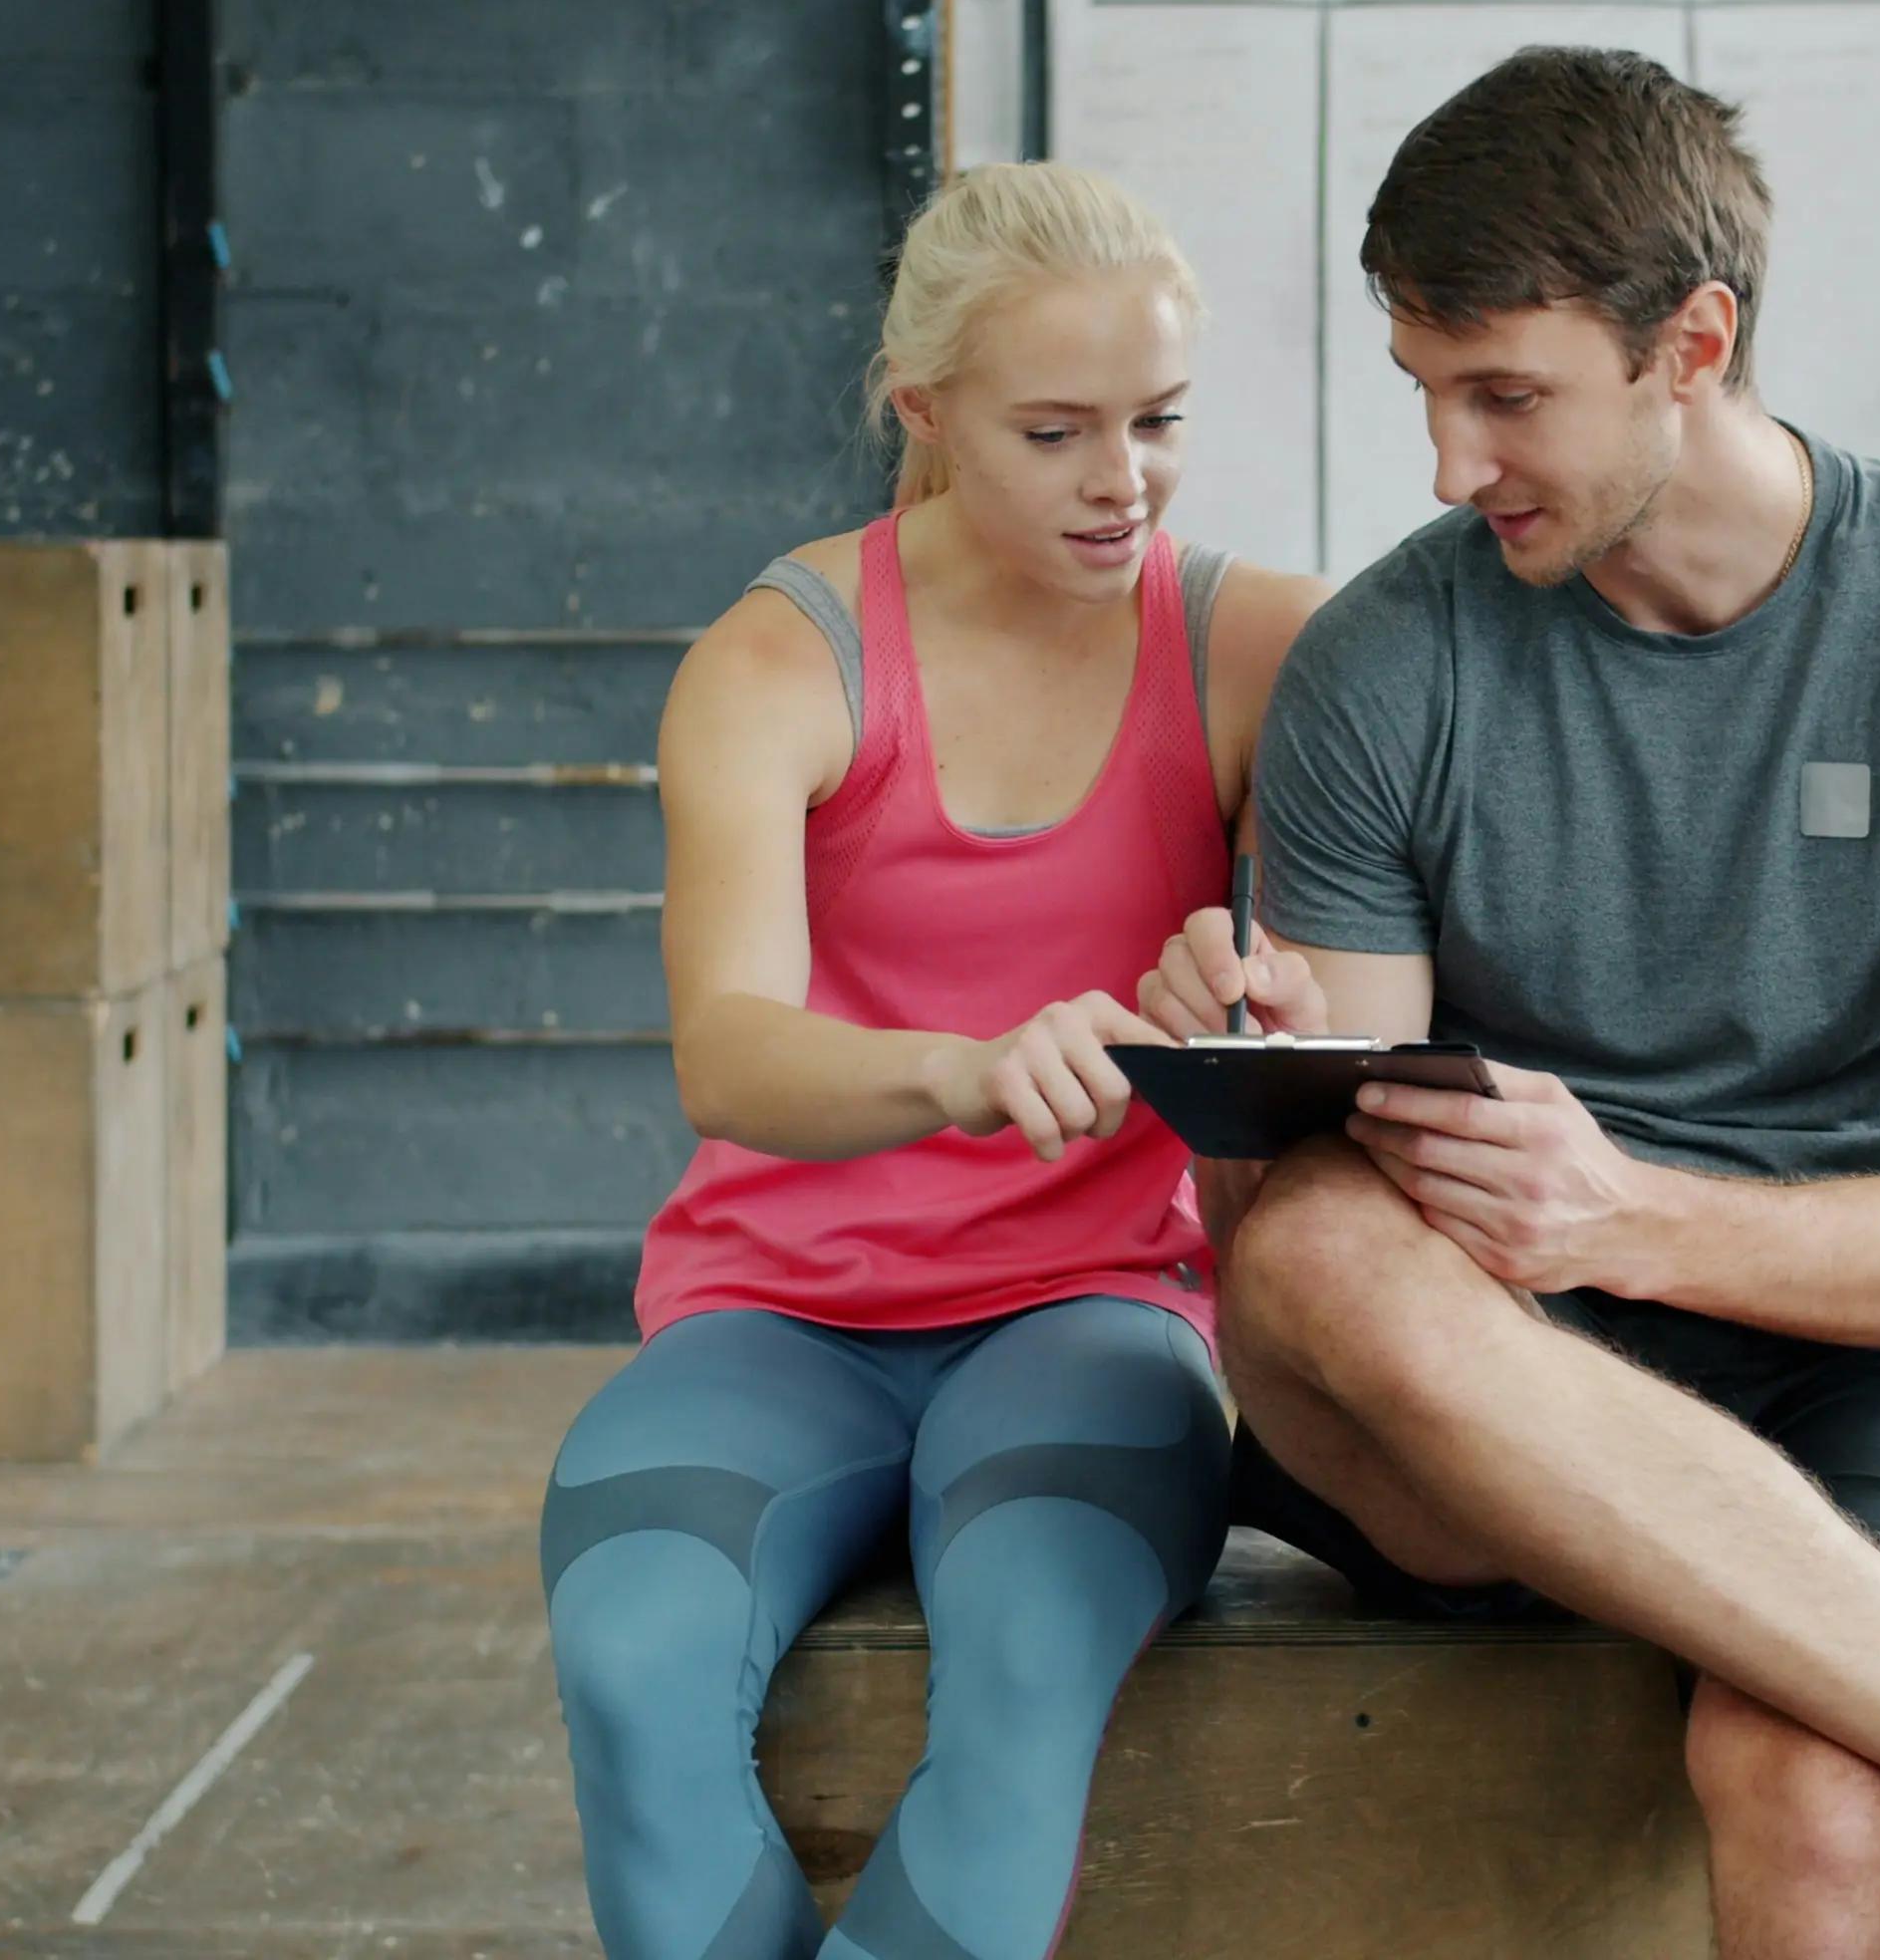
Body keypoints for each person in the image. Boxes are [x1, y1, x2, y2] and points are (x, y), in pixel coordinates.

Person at [1138, 48, 1880, 1960]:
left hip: (1860, 1351)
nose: (1453, 468)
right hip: (1480, 1358)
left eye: (1507, 397)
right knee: (1305, 1252)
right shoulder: (1386, 661)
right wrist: (1253, 1066)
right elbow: (1296, 1233)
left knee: (1817, 1782)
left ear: (1692, 342)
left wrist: (1624, 1206)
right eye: (1427, 395)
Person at [540, 161, 1322, 1960]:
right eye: (1055, 432)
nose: (1121, 480)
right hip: (778, 1312)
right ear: (927, 412)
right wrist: (967, 1071)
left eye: (1159, 420)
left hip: (1095, 1308)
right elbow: (731, 1058)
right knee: (630, 1653)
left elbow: (1345, 971)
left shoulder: (1257, 645)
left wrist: (1252, 971)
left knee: (1029, 1666)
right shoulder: (778, 659)